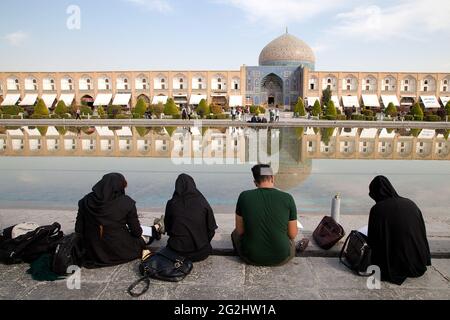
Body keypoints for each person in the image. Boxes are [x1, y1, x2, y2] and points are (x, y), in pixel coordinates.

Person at [75, 173, 164, 267]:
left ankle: (157, 227)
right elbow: (136, 232)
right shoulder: (126, 202)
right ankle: (157, 228)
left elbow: (79, 229)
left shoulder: (85, 201)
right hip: (120, 251)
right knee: (143, 238)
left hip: (93, 253)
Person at [231, 164, 308, 266]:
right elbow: (292, 234)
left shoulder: (244, 196)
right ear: (272, 178)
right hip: (281, 257)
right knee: (289, 239)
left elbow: (240, 231)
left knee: (234, 234)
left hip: (251, 257)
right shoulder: (287, 198)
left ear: (255, 182)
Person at [367, 175, 431, 285]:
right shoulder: (410, 203)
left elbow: (373, 241)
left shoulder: (377, 209)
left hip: (394, 266)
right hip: (418, 263)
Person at [164, 174, 217, 262]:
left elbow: (168, 229)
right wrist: (202, 242)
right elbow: (211, 230)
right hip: (201, 253)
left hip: (176, 252)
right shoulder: (203, 203)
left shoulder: (171, 204)